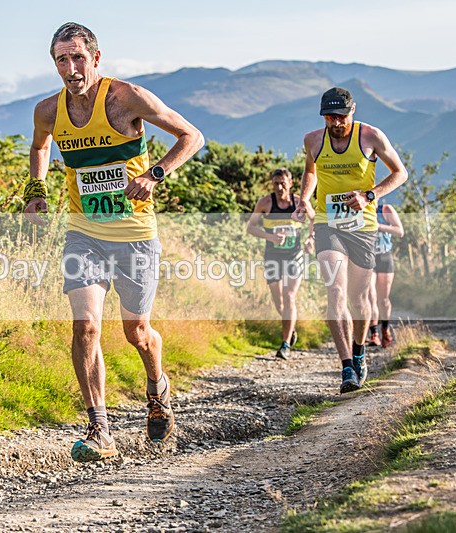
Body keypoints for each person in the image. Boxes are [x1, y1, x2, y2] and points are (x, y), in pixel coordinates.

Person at [24, 22, 204, 462]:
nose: (70, 68)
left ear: (96, 59)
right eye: (61, 60)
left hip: (135, 236)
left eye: (78, 57)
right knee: (85, 326)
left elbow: (191, 136)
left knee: (136, 332)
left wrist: (154, 173)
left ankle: (157, 390)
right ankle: (99, 429)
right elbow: (39, 147)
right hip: (84, 233)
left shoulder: (126, 98)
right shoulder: (48, 110)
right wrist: (36, 190)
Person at [293, 87, 407, 393]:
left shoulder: (371, 137)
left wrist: (370, 194)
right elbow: (310, 172)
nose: (335, 122)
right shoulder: (313, 140)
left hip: (363, 226)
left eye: (340, 116)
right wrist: (305, 199)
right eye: (329, 116)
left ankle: (359, 351)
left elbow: (400, 173)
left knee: (359, 300)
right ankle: (346, 367)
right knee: (335, 291)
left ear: (352, 111)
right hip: (327, 223)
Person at [246, 168, 314, 360]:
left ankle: (285, 344)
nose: (279, 187)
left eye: (282, 183)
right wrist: (270, 236)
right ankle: (290, 331)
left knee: (289, 295)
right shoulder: (266, 202)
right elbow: (250, 227)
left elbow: (314, 219)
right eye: (275, 183)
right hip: (272, 256)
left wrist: (311, 239)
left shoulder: (299, 203)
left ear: (291, 183)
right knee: (279, 300)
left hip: (295, 255)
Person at [366, 200, 404, 348]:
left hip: (384, 256)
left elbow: (400, 231)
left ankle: (385, 328)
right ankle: (374, 334)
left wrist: (379, 226)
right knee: (371, 297)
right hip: (367, 258)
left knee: (383, 299)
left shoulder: (385, 210)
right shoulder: (359, 212)